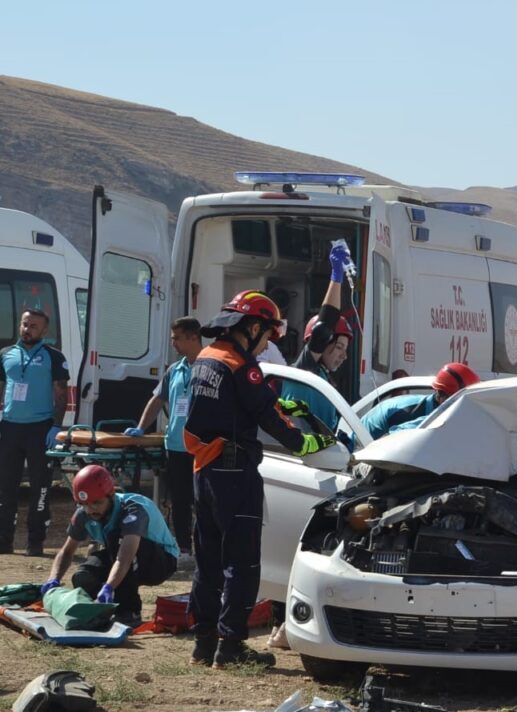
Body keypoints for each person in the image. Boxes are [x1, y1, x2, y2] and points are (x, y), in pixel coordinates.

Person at [183, 289, 332, 669]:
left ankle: (204, 643)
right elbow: (266, 416)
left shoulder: (207, 358)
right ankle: (231, 647)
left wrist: (278, 405)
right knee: (243, 563)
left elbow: (234, 406)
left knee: (208, 562)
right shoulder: (241, 364)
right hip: (235, 474)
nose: (266, 345)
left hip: (204, 471)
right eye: (266, 335)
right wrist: (305, 442)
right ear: (251, 327)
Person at [37, 465, 178, 627]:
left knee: (116, 541)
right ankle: (104, 608)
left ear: (110, 495)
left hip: (160, 562)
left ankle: (129, 611)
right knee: (85, 575)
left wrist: (109, 587)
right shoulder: (84, 512)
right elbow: (67, 551)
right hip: (121, 554)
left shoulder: (133, 510)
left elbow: (124, 557)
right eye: (85, 504)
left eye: (96, 503)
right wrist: (53, 579)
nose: (91, 510)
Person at [124, 317, 202, 566]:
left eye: (177, 338)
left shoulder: (209, 366)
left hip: (202, 448)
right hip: (177, 447)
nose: (174, 343)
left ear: (193, 337)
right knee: (180, 500)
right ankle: (184, 549)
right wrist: (140, 428)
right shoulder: (174, 370)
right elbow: (157, 400)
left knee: (203, 502)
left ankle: (206, 548)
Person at [0, 309, 69, 556]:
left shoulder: (53, 356)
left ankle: (35, 542)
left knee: (40, 487)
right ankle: (4, 541)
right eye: (25, 324)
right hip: (9, 427)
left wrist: (56, 425)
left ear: (44, 331)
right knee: (6, 487)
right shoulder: (6, 354)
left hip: (40, 429)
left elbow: (61, 393)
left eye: (33, 326)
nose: (27, 329)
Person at [279, 248, 355, 436]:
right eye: (339, 347)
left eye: (346, 349)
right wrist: (336, 277)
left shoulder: (323, 377)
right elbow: (326, 323)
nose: (344, 356)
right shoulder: (305, 370)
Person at [360, 362, 481, 440]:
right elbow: (389, 444)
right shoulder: (408, 414)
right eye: (461, 401)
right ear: (441, 397)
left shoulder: (444, 414)